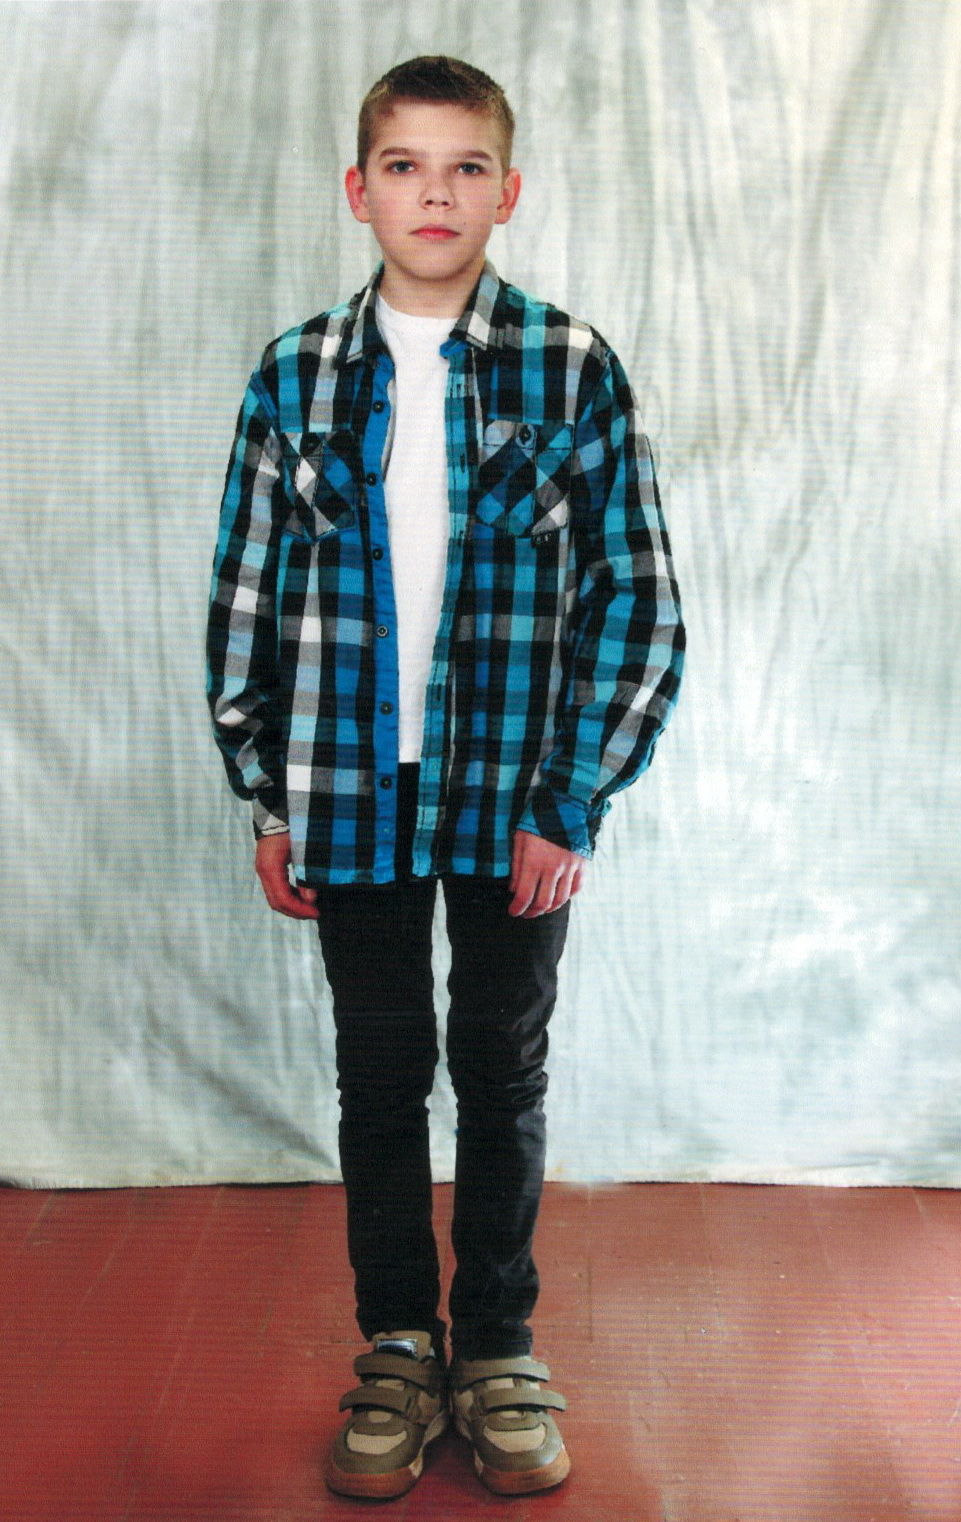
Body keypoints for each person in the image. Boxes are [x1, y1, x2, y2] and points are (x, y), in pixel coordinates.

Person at [206, 54, 684, 1500]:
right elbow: (245, 595)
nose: (435, 193)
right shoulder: (295, 375)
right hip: (348, 786)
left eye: (465, 166)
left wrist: (571, 798)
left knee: (500, 1062)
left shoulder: (569, 366)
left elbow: (636, 597)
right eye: (406, 166)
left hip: (513, 793)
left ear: (508, 190)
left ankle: (498, 1344)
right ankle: (399, 1344)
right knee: (377, 1069)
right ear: (358, 191)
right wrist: (267, 790)